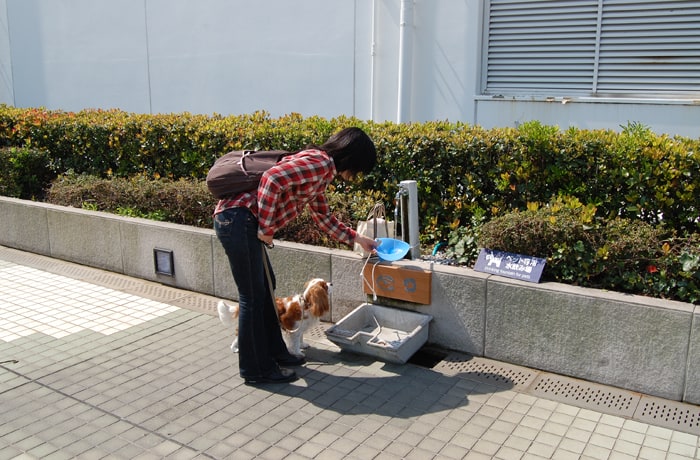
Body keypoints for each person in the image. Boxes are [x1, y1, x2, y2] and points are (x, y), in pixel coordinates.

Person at [213, 127, 379, 384]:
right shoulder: (320, 164)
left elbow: (323, 216)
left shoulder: (321, 170)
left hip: (242, 221)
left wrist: (357, 238)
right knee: (252, 297)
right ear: (352, 158)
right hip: (238, 220)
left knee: (267, 290)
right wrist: (267, 229)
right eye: (359, 169)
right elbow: (272, 179)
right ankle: (255, 369)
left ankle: (278, 353)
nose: (356, 175)